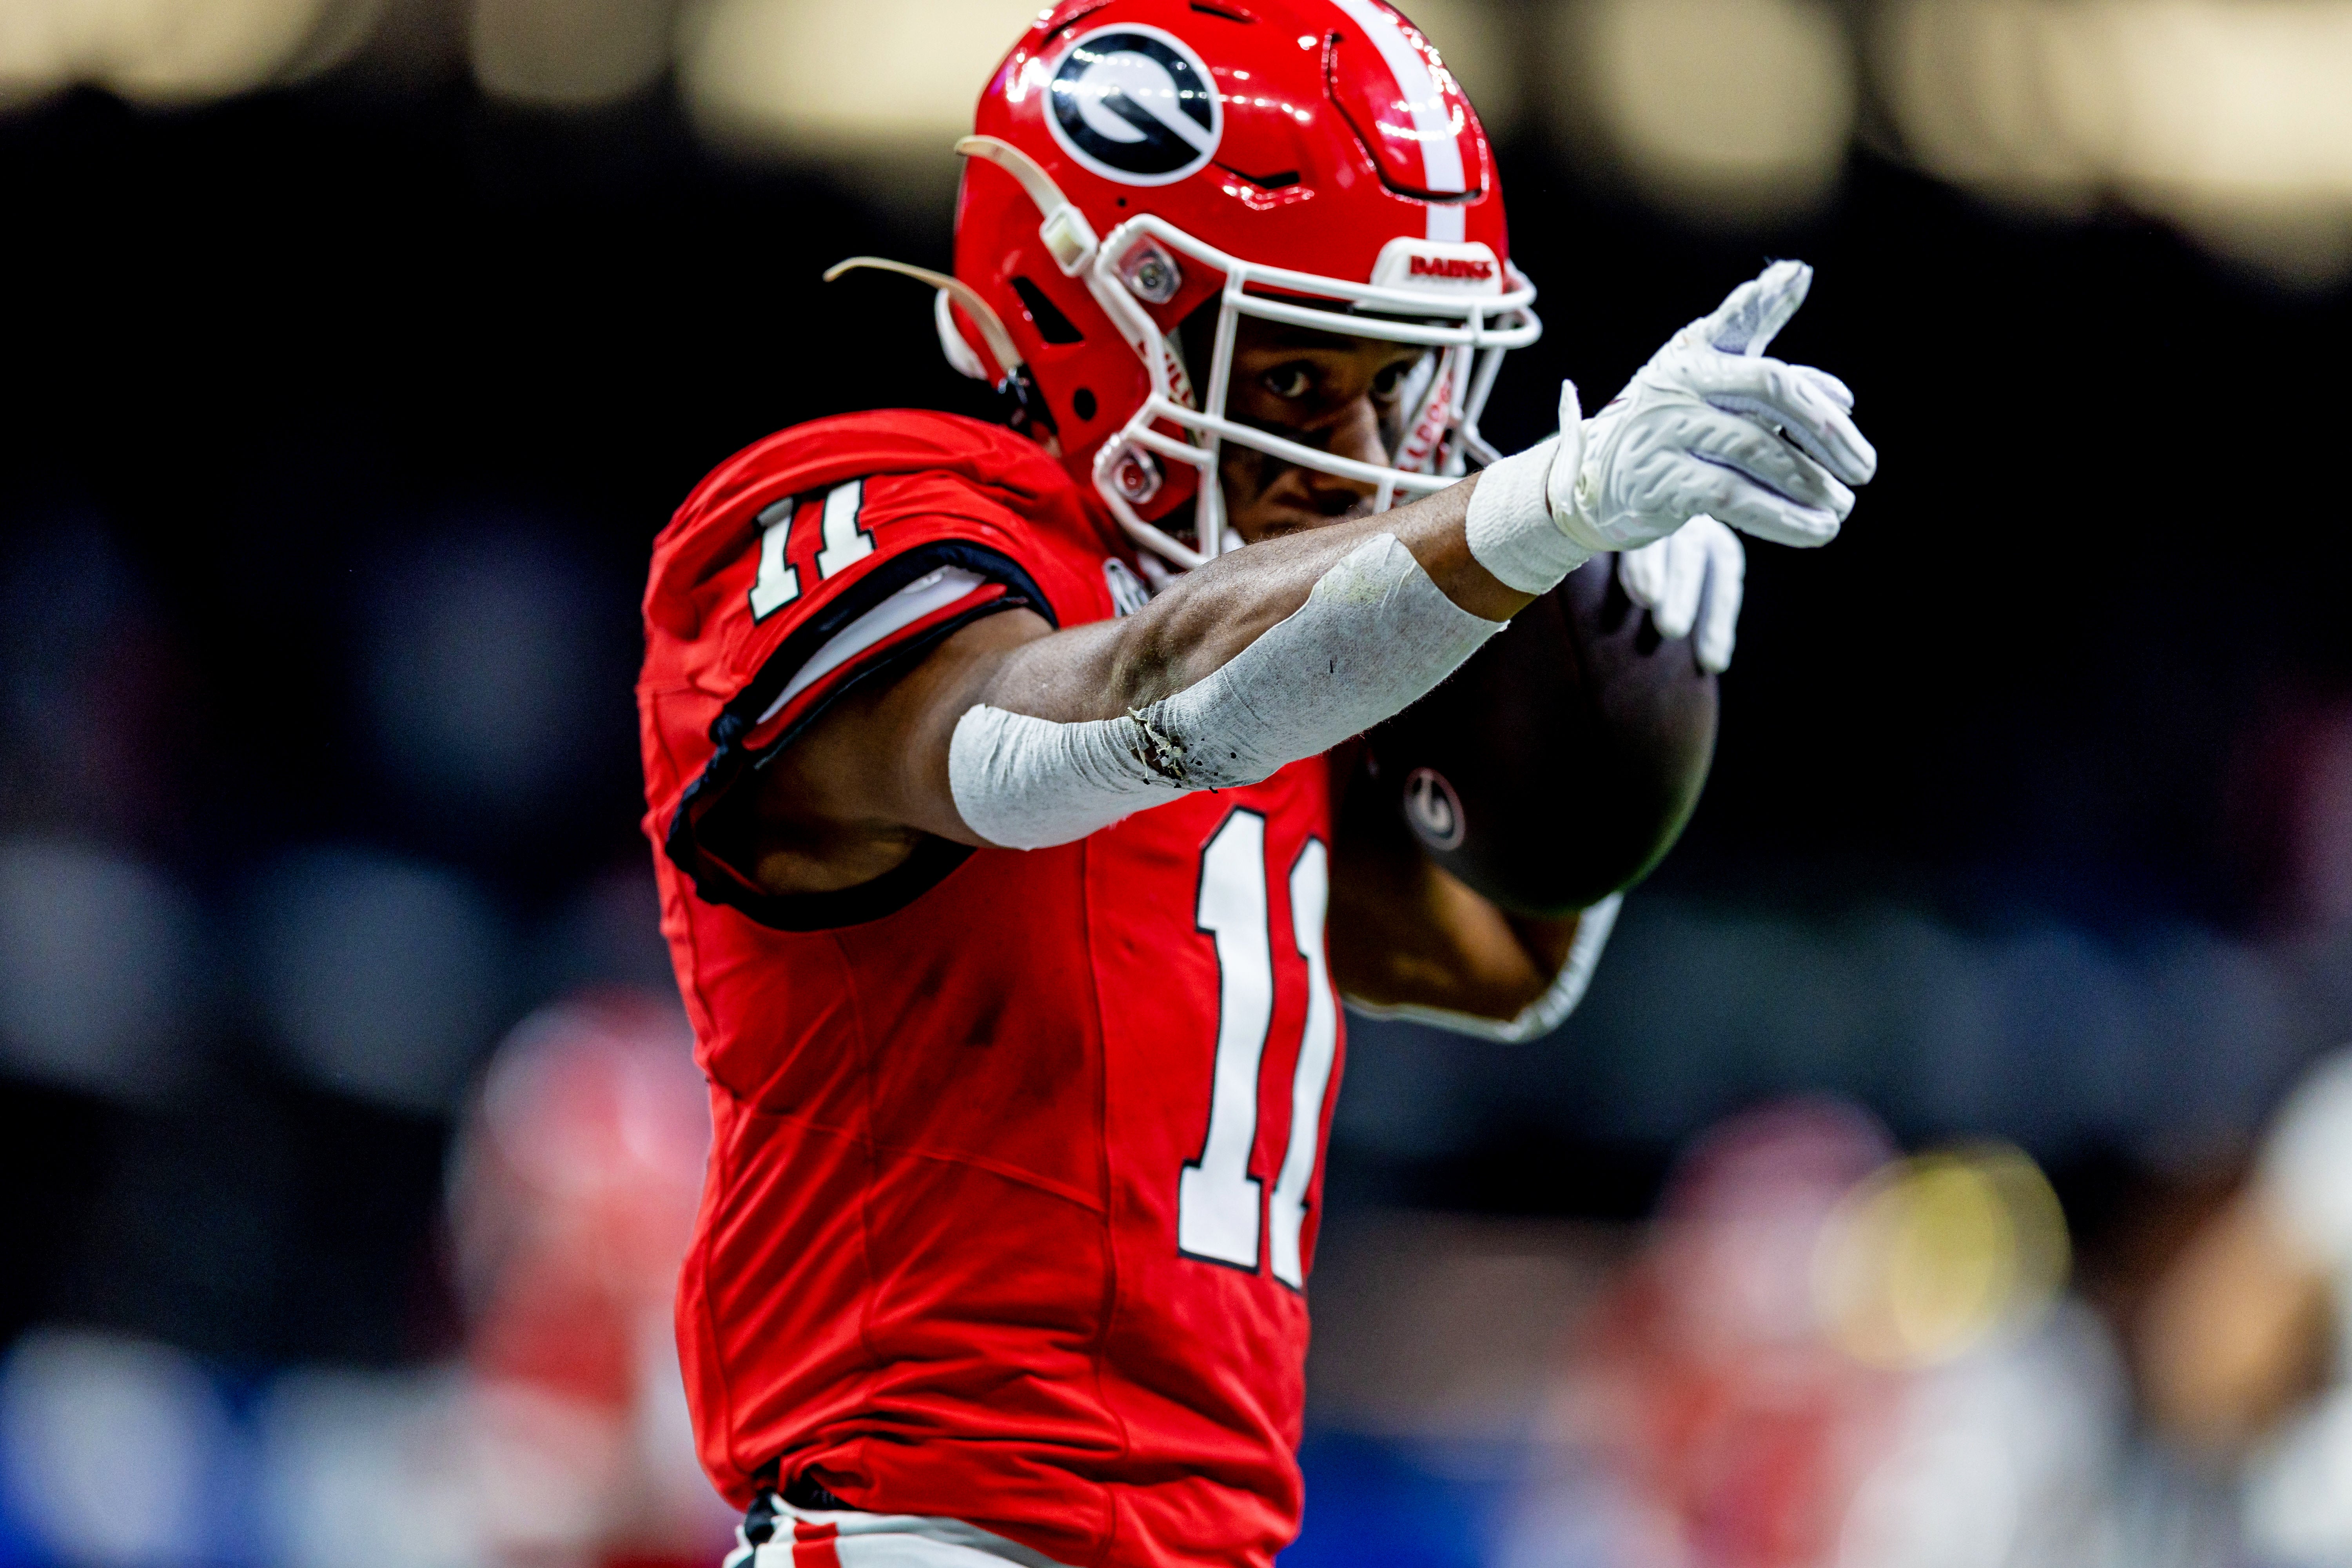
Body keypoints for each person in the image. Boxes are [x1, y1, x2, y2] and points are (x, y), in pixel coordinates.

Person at [635, 2, 1875, 1564]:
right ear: (1085, 316)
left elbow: (1499, 959)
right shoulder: (868, 516)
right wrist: (1541, 503)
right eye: (1293, 382)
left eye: (1399, 380)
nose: (1356, 454)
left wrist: (1634, 691)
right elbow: (1091, 724)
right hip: (923, 1530)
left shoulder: (1278, 652)